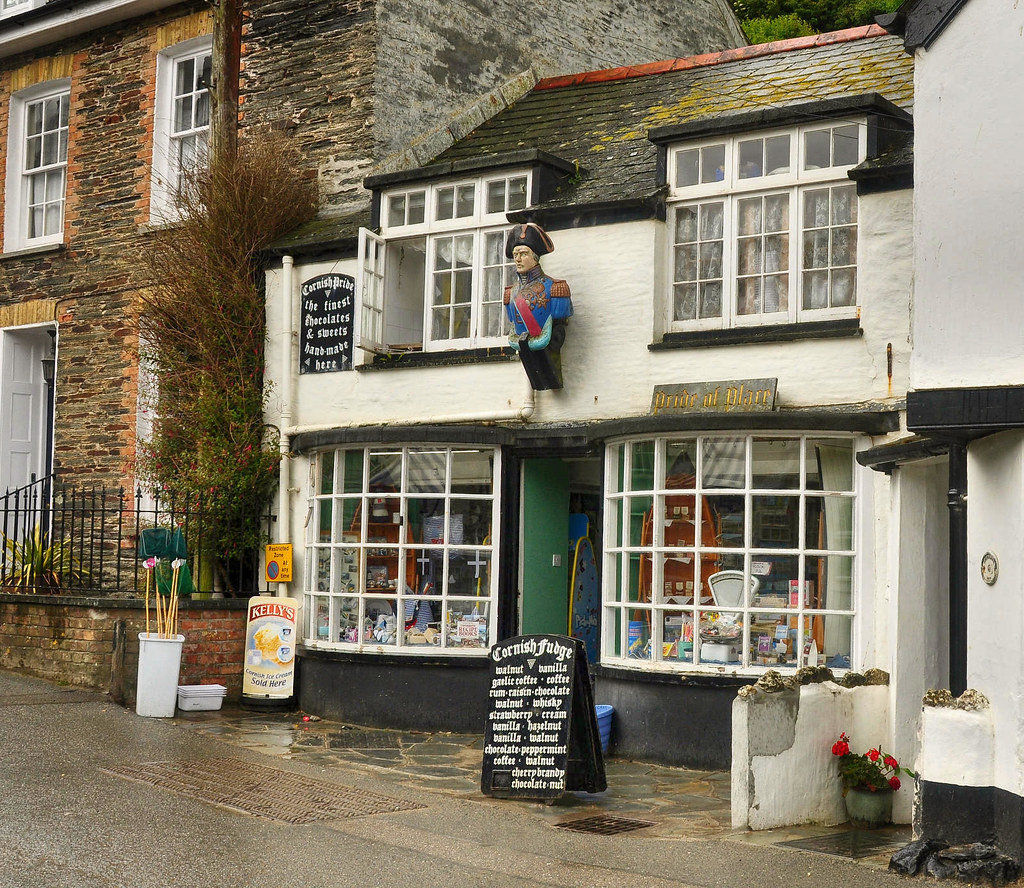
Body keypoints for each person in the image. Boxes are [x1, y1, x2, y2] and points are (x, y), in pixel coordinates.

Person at [502, 223, 573, 390]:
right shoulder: (510, 293)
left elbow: (559, 319)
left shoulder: (556, 288)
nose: (518, 259)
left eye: (523, 254)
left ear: (535, 257)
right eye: (515, 254)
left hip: (546, 342)